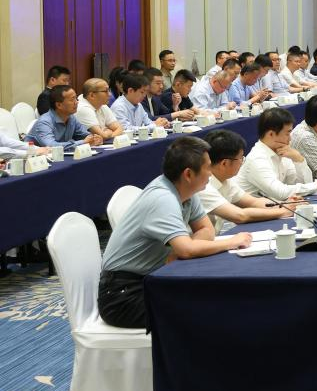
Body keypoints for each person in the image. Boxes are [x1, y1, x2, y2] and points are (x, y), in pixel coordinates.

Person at [97, 137, 253, 329]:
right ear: (188, 174)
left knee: (215, 296)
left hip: (153, 277)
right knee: (205, 310)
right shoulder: (163, 198)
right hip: (123, 295)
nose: (211, 172)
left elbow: (207, 230)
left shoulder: (186, 190)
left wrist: (185, 250)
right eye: (207, 167)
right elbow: (187, 250)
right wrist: (231, 242)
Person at [198, 129, 293, 233]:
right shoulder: (203, 187)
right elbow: (239, 216)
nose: (242, 162)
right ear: (224, 163)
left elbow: (254, 202)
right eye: (240, 158)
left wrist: (285, 205)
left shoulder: (225, 180)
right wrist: (283, 212)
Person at [238, 108, 317, 200]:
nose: (290, 138)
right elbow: (280, 193)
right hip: (254, 211)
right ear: (271, 134)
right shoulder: (257, 158)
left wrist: (299, 159)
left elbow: (302, 184)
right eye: (287, 133)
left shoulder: (283, 151)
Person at [27, 86, 103, 148]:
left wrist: (95, 138)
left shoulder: (71, 117)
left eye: (76, 98)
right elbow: (51, 146)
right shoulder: (44, 122)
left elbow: (85, 135)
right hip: (35, 159)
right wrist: (83, 142)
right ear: (59, 105)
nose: (77, 102)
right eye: (72, 100)